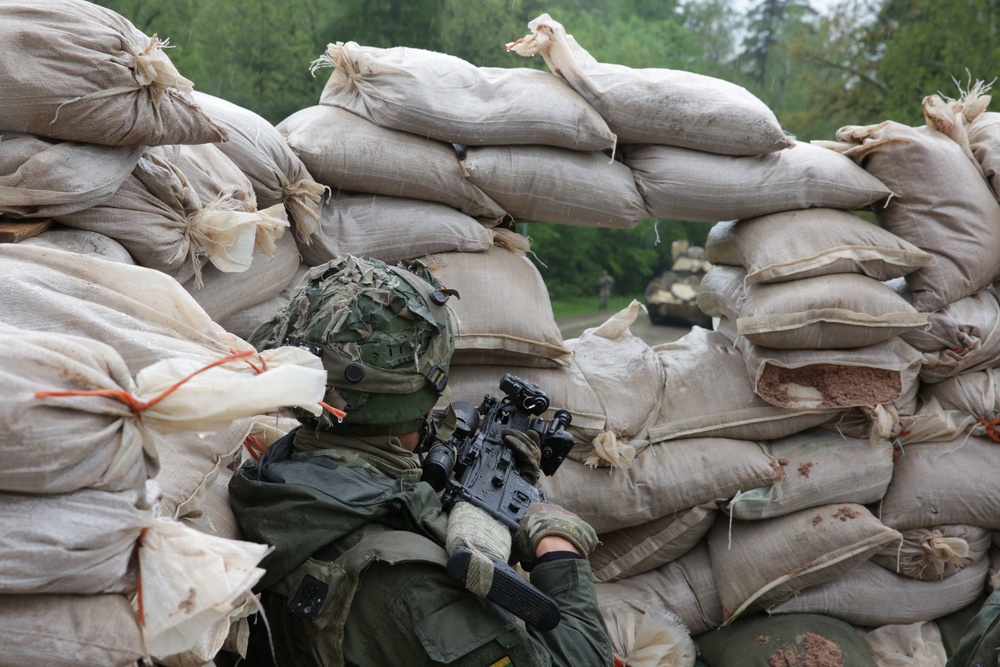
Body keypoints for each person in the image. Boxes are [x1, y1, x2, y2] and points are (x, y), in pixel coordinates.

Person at [228, 254, 615, 667]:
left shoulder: (273, 474)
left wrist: (449, 499)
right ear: (415, 400)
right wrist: (557, 549)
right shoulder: (413, 587)